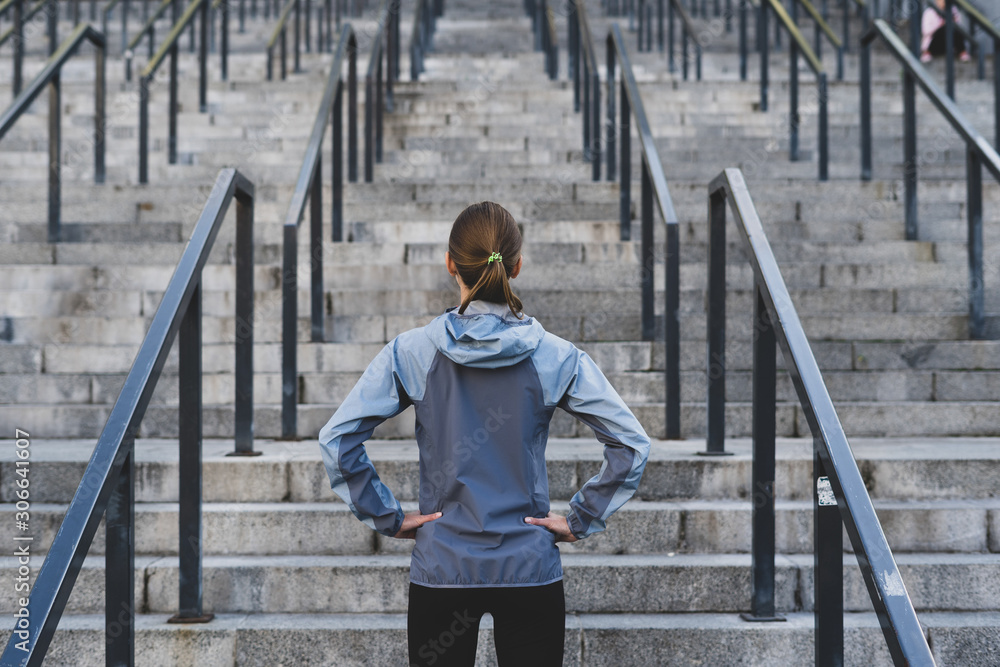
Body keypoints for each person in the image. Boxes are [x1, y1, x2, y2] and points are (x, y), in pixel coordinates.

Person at [317, 201, 651, 666]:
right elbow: (632, 445)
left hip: (442, 565)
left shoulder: (411, 353)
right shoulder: (557, 356)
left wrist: (386, 516)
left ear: (451, 263)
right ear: (517, 266)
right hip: (529, 568)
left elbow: (337, 440)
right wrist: (581, 518)